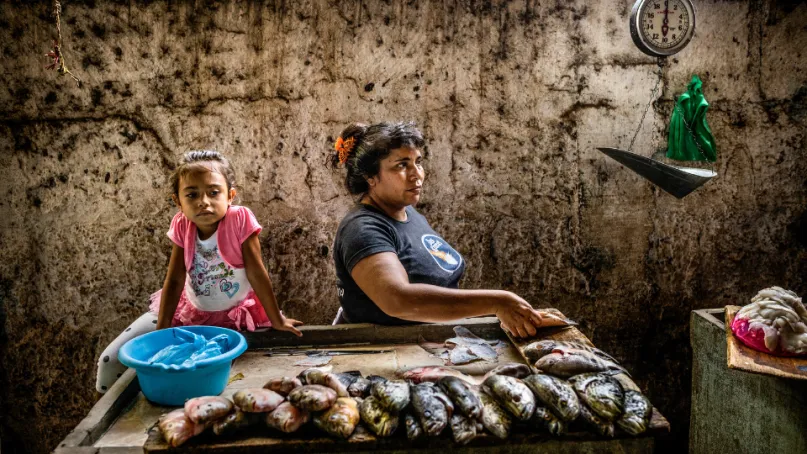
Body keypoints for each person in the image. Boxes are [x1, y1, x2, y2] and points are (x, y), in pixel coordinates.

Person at [95, 151, 302, 393]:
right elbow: (174, 280)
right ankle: (96, 423)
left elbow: (257, 273)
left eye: (214, 193)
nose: (203, 201)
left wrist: (276, 319)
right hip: (189, 313)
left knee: (221, 382)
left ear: (230, 195)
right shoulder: (182, 224)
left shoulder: (239, 220)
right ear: (178, 202)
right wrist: (163, 330)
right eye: (192, 195)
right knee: (109, 361)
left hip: (235, 318)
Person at [329, 122, 544, 338]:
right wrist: (497, 302)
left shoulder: (407, 214)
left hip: (428, 342)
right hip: (385, 351)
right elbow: (397, 300)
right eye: (402, 165)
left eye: (418, 162)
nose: (417, 175)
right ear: (370, 177)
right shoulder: (362, 229)